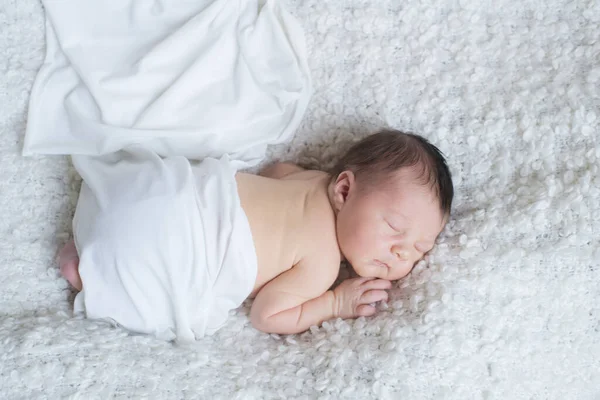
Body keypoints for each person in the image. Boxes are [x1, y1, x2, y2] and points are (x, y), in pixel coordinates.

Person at [59, 129, 453, 337]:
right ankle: (90, 275)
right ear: (345, 190)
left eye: (419, 249)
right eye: (395, 229)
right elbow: (268, 315)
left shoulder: (310, 179)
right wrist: (333, 304)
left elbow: (276, 170)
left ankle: (95, 227)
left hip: (163, 191)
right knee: (170, 302)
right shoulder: (322, 262)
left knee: (151, 198)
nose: (402, 253)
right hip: (185, 243)